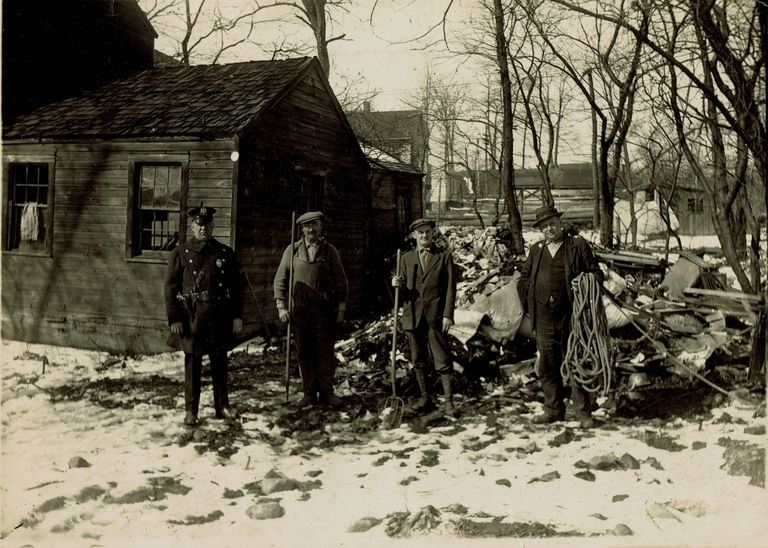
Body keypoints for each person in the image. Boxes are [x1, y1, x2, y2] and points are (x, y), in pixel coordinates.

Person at [518, 204, 604, 428]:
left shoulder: (576, 245)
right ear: (540, 229)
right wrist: (530, 303)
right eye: (544, 226)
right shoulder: (536, 250)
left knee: (576, 361)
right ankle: (554, 409)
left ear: (560, 223)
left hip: (572, 316)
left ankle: (583, 413)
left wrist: (586, 281)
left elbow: (596, 273)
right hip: (544, 317)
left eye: (552, 224)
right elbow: (524, 278)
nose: (549, 228)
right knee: (548, 364)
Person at [164, 204, 243, 426]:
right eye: (199, 225)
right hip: (193, 317)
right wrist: (175, 319)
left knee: (220, 363)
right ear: (192, 226)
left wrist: (237, 316)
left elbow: (236, 288)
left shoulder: (225, 253)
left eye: (207, 225)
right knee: (193, 365)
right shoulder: (180, 253)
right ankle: (191, 410)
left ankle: (222, 406)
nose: (203, 229)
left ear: (213, 226)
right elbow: (170, 289)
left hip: (219, 316)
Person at [274, 211, 348, 408]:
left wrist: (341, 310)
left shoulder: (329, 250)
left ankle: (326, 392)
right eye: (307, 226)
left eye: (314, 225)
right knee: (304, 352)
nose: (311, 229)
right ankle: (308, 393)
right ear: (302, 230)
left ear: (321, 226)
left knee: (324, 351)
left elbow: (341, 283)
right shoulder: (293, 250)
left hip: (324, 311)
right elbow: (280, 280)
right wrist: (281, 307)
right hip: (300, 312)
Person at [392, 218, 457, 416]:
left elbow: (450, 290)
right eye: (420, 233)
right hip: (413, 316)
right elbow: (402, 293)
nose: (424, 236)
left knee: (442, 359)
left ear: (432, 234)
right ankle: (425, 398)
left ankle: (448, 402)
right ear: (414, 236)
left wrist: (447, 315)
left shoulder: (444, 257)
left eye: (427, 232)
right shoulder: (406, 258)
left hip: (435, 317)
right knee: (418, 359)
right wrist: (396, 284)